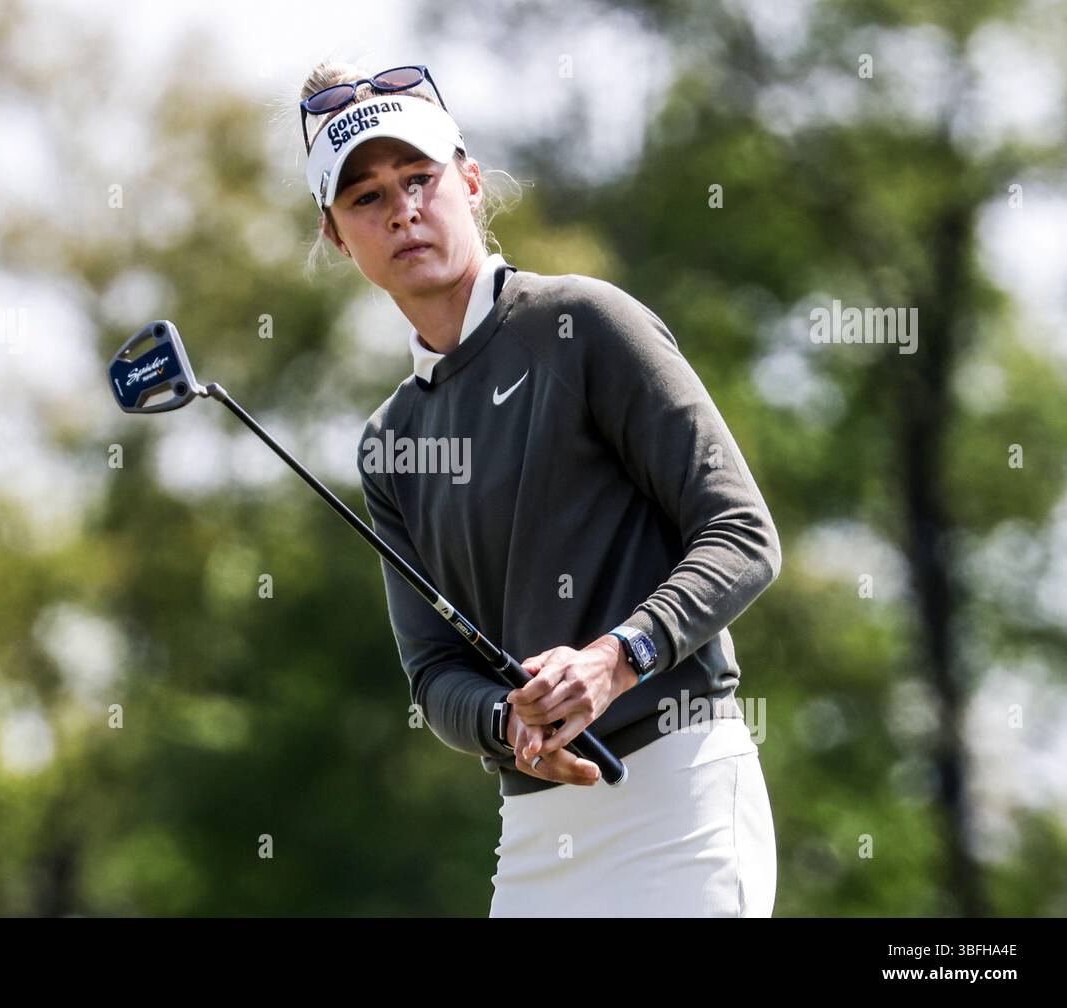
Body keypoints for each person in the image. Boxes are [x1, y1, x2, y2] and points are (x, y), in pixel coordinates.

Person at [295, 60, 781, 916]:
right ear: (338, 236)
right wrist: (505, 725)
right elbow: (435, 672)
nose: (403, 210)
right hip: (534, 838)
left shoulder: (584, 325)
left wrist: (614, 659)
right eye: (366, 198)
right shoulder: (388, 443)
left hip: (681, 797)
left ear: (471, 182)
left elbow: (742, 535)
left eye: (419, 178)